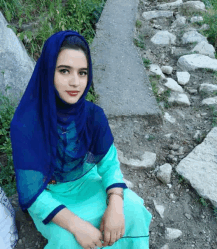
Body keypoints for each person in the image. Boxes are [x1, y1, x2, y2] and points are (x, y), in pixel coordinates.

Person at [10, 30, 152, 249]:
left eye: (83, 72)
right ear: (48, 72)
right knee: (68, 239)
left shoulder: (93, 116)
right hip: (48, 196)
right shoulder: (26, 124)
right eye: (64, 71)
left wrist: (115, 201)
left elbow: (109, 163)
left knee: (131, 209)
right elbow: (33, 192)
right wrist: (76, 225)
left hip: (86, 183)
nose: (75, 82)